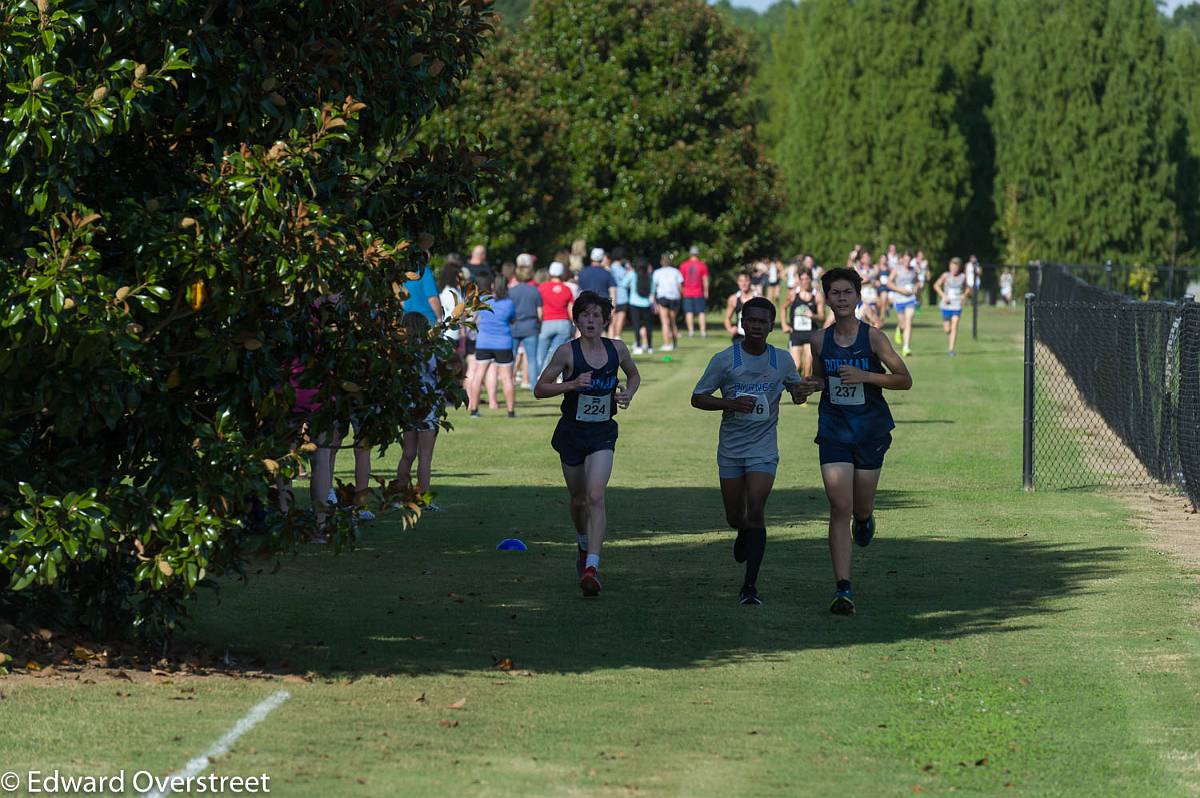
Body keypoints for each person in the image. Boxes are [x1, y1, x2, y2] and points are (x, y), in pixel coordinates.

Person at [802, 267, 912, 616]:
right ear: (827, 298)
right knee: (839, 505)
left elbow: (904, 379)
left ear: (858, 296)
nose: (842, 298)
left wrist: (865, 376)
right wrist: (808, 386)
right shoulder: (819, 340)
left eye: (848, 292)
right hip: (834, 429)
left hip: (869, 429)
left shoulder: (874, 338)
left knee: (860, 508)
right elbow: (819, 379)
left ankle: (865, 519)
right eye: (835, 292)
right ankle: (843, 588)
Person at [692, 297, 807, 605]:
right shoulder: (724, 360)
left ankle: (749, 588)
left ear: (772, 325)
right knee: (735, 517)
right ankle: (742, 530)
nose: (756, 326)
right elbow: (698, 397)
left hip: (763, 448)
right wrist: (729, 403)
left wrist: (801, 391)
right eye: (751, 320)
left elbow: (796, 394)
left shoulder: (782, 360)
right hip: (731, 448)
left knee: (756, 509)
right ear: (742, 322)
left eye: (762, 321)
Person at [534, 291, 640, 598]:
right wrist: (571, 384)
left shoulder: (617, 349)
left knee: (596, 496)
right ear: (576, 319)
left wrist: (627, 394)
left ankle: (592, 567)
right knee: (579, 499)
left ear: (606, 320)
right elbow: (540, 388)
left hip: (603, 433)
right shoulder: (567, 352)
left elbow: (634, 376)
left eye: (597, 316)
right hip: (571, 433)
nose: (591, 321)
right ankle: (583, 544)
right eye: (585, 315)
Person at [397, 312, 444, 511]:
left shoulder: (401, 351)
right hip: (427, 404)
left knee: (407, 453)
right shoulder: (431, 351)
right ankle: (423, 499)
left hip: (407, 403)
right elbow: (440, 375)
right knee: (425, 455)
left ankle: (400, 497)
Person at [467, 275, 517, 417]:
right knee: (507, 378)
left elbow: (475, 317)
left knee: (478, 374)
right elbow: (513, 320)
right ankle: (510, 411)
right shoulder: (509, 303)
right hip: (503, 343)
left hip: (483, 342)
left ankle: (474, 410)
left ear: (493, 286)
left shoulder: (483, 300)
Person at [536, 261, 575, 379]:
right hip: (563, 323)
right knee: (557, 352)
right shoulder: (567, 289)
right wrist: (574, 324)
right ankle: (555, 375)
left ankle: (542, 374)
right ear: (562, 273)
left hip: (547, 322)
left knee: (541, 352)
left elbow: (539, 307)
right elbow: (570, 309)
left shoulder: (541, 287)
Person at [509, 257, 542, 389]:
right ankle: (534, 385)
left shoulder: (511, 291)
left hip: (514, 326)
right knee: (532, 358)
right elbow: (540, 313)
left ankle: (509, 382)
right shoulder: (535, 290)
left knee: (511, 357)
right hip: (531, 326)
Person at [782, 269, 823, 376]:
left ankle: (804, 390)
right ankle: (796, 385)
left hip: (811, 334)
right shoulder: (793, 294)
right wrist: (784, 324)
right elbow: (783, 308)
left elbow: (822, 317)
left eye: (807, 279)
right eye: (802, 279)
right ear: (799, 280)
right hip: (796, 334)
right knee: (797, 366)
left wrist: (813, 316)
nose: (805, 282)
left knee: (808, 367)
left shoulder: (817, 295)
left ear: (811, 279)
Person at [934, 256, 970, 356]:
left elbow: (968, 288)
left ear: (959, 268)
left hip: (957, 305)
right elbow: (936, 285)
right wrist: (943, 295)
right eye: (952, 267)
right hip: (946, 305)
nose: (954, 269)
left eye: (956, 267)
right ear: (949, 267)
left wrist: (964, 295)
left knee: (954, 326)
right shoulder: (945, 275)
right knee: (947, 329)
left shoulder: (963, 277)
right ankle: (948, 331)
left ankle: (951, 350)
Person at [651, 253, 684, 351]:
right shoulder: (676, 272)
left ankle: (666, 344)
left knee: (665, 322)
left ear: (661, 262)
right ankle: (674, 343)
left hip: (663, 298)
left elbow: (654, 287)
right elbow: (680, 287)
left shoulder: (657, 272)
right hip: (674, 298)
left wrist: (653, 302)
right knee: (673, 322)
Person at [623, 255, 655, 354]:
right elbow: (652, 291)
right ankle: (649, 347)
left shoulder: (632, 275)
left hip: (634, 303)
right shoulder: (649, 276)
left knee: (636, 325)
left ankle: (638, 345)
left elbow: (623, 284)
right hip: (646, 304)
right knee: (648, 326)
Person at [890, 252, 919, 356]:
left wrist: (916, 287)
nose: (907, 262)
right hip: (899, 299)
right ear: (902, 259)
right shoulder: (897, 269)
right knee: (903, 324)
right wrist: (900, 290)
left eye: (909, 259)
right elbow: (889, 283)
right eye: (905, 259)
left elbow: (917, 282)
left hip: (911, 299)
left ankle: (906, 347)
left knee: (909, 320)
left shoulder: (913, 270)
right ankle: (899, 328)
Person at [680, 245, 710, 338]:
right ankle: (703, 332)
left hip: (687, 292)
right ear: (698, 254)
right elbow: (705, 280)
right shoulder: (702, 265)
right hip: (699, 292)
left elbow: (680, 281)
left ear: (690, 254)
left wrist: (681, 291)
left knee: (689, 312)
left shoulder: (683, 265)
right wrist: (706, 291)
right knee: (701, 312)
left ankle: (691, 331)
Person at [723, 271, 756, 343]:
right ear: (738, 282)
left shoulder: (758, 299)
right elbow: (727, 318)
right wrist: (730, 329)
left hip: (755, 338)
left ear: (750, 281)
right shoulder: (733, 299)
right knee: (738, 354)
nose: (743, 284)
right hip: (739, 337)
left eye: (746, 281)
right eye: (741, 281)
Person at [608, 248, 629, 339]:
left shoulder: (610, 267)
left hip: (612, 295)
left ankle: (613, 336)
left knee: (614, 318)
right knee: (621, 317)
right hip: (622, 295)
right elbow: (627, 280)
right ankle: (617, 336)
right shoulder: (621, 268)